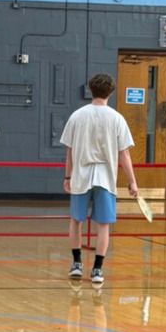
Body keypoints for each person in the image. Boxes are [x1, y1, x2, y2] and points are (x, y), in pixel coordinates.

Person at [60, 72, 138, 285]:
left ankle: (76, 264)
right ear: (111, 92)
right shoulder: (117, 118)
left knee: (76, 220)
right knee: (103, 225)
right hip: (106, 178)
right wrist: (132, 181)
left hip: (81, 176)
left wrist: (68, 176)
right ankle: (97, 269)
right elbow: (125, 154)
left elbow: (70, 151)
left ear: (90, 89)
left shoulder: (76, 116)